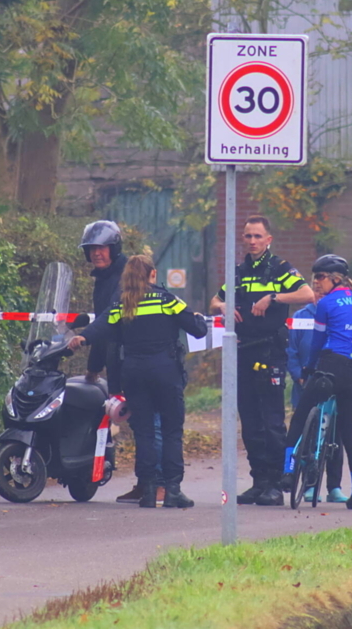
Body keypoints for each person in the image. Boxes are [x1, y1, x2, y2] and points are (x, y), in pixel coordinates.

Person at [70, 255, 207, 508]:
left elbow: (101, 326)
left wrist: (82, 338)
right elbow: (198, 329)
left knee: (143, 432)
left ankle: (149, 490)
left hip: (133, 372)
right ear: (153, 274)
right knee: (171, 430)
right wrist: (197, 316)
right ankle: (173, 489)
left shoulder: (123, 303)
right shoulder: (167, 299)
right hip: (165, 371)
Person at [210, 216, 315, 507]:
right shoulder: (239, 271)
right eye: (248, 236)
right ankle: (258, 481)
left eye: (257, 236)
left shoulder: (279, 268)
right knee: (250, 420)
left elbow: (308, 294)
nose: (252, 241)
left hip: (271, 352)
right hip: (243, 352)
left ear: (268, 240)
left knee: (271, 421)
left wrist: (273, 297)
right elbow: (214, 301)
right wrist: (223, 306)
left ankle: (276, 482)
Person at [78, 220, 164, 504]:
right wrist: (95, 365)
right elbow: (105, 326)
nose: (96, 254)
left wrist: (92, 362)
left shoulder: (124, 277)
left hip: (140, 362)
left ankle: (160, 484)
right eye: (91, 250)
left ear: (113, 249)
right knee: (140, 425)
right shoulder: (103, 280)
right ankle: (146, 482)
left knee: (152, 423)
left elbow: (109, 325)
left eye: (101, 248)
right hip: (124, 362)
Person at [282, 254, 352, 510]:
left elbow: (316, 341)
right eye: (314, 277)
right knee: (350, 436)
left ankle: (288, 472)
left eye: (320, 277)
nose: (316, 282)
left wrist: (309, 367)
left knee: (300, 415)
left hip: (330, 367)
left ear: (335, 279)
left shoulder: (326, 304)